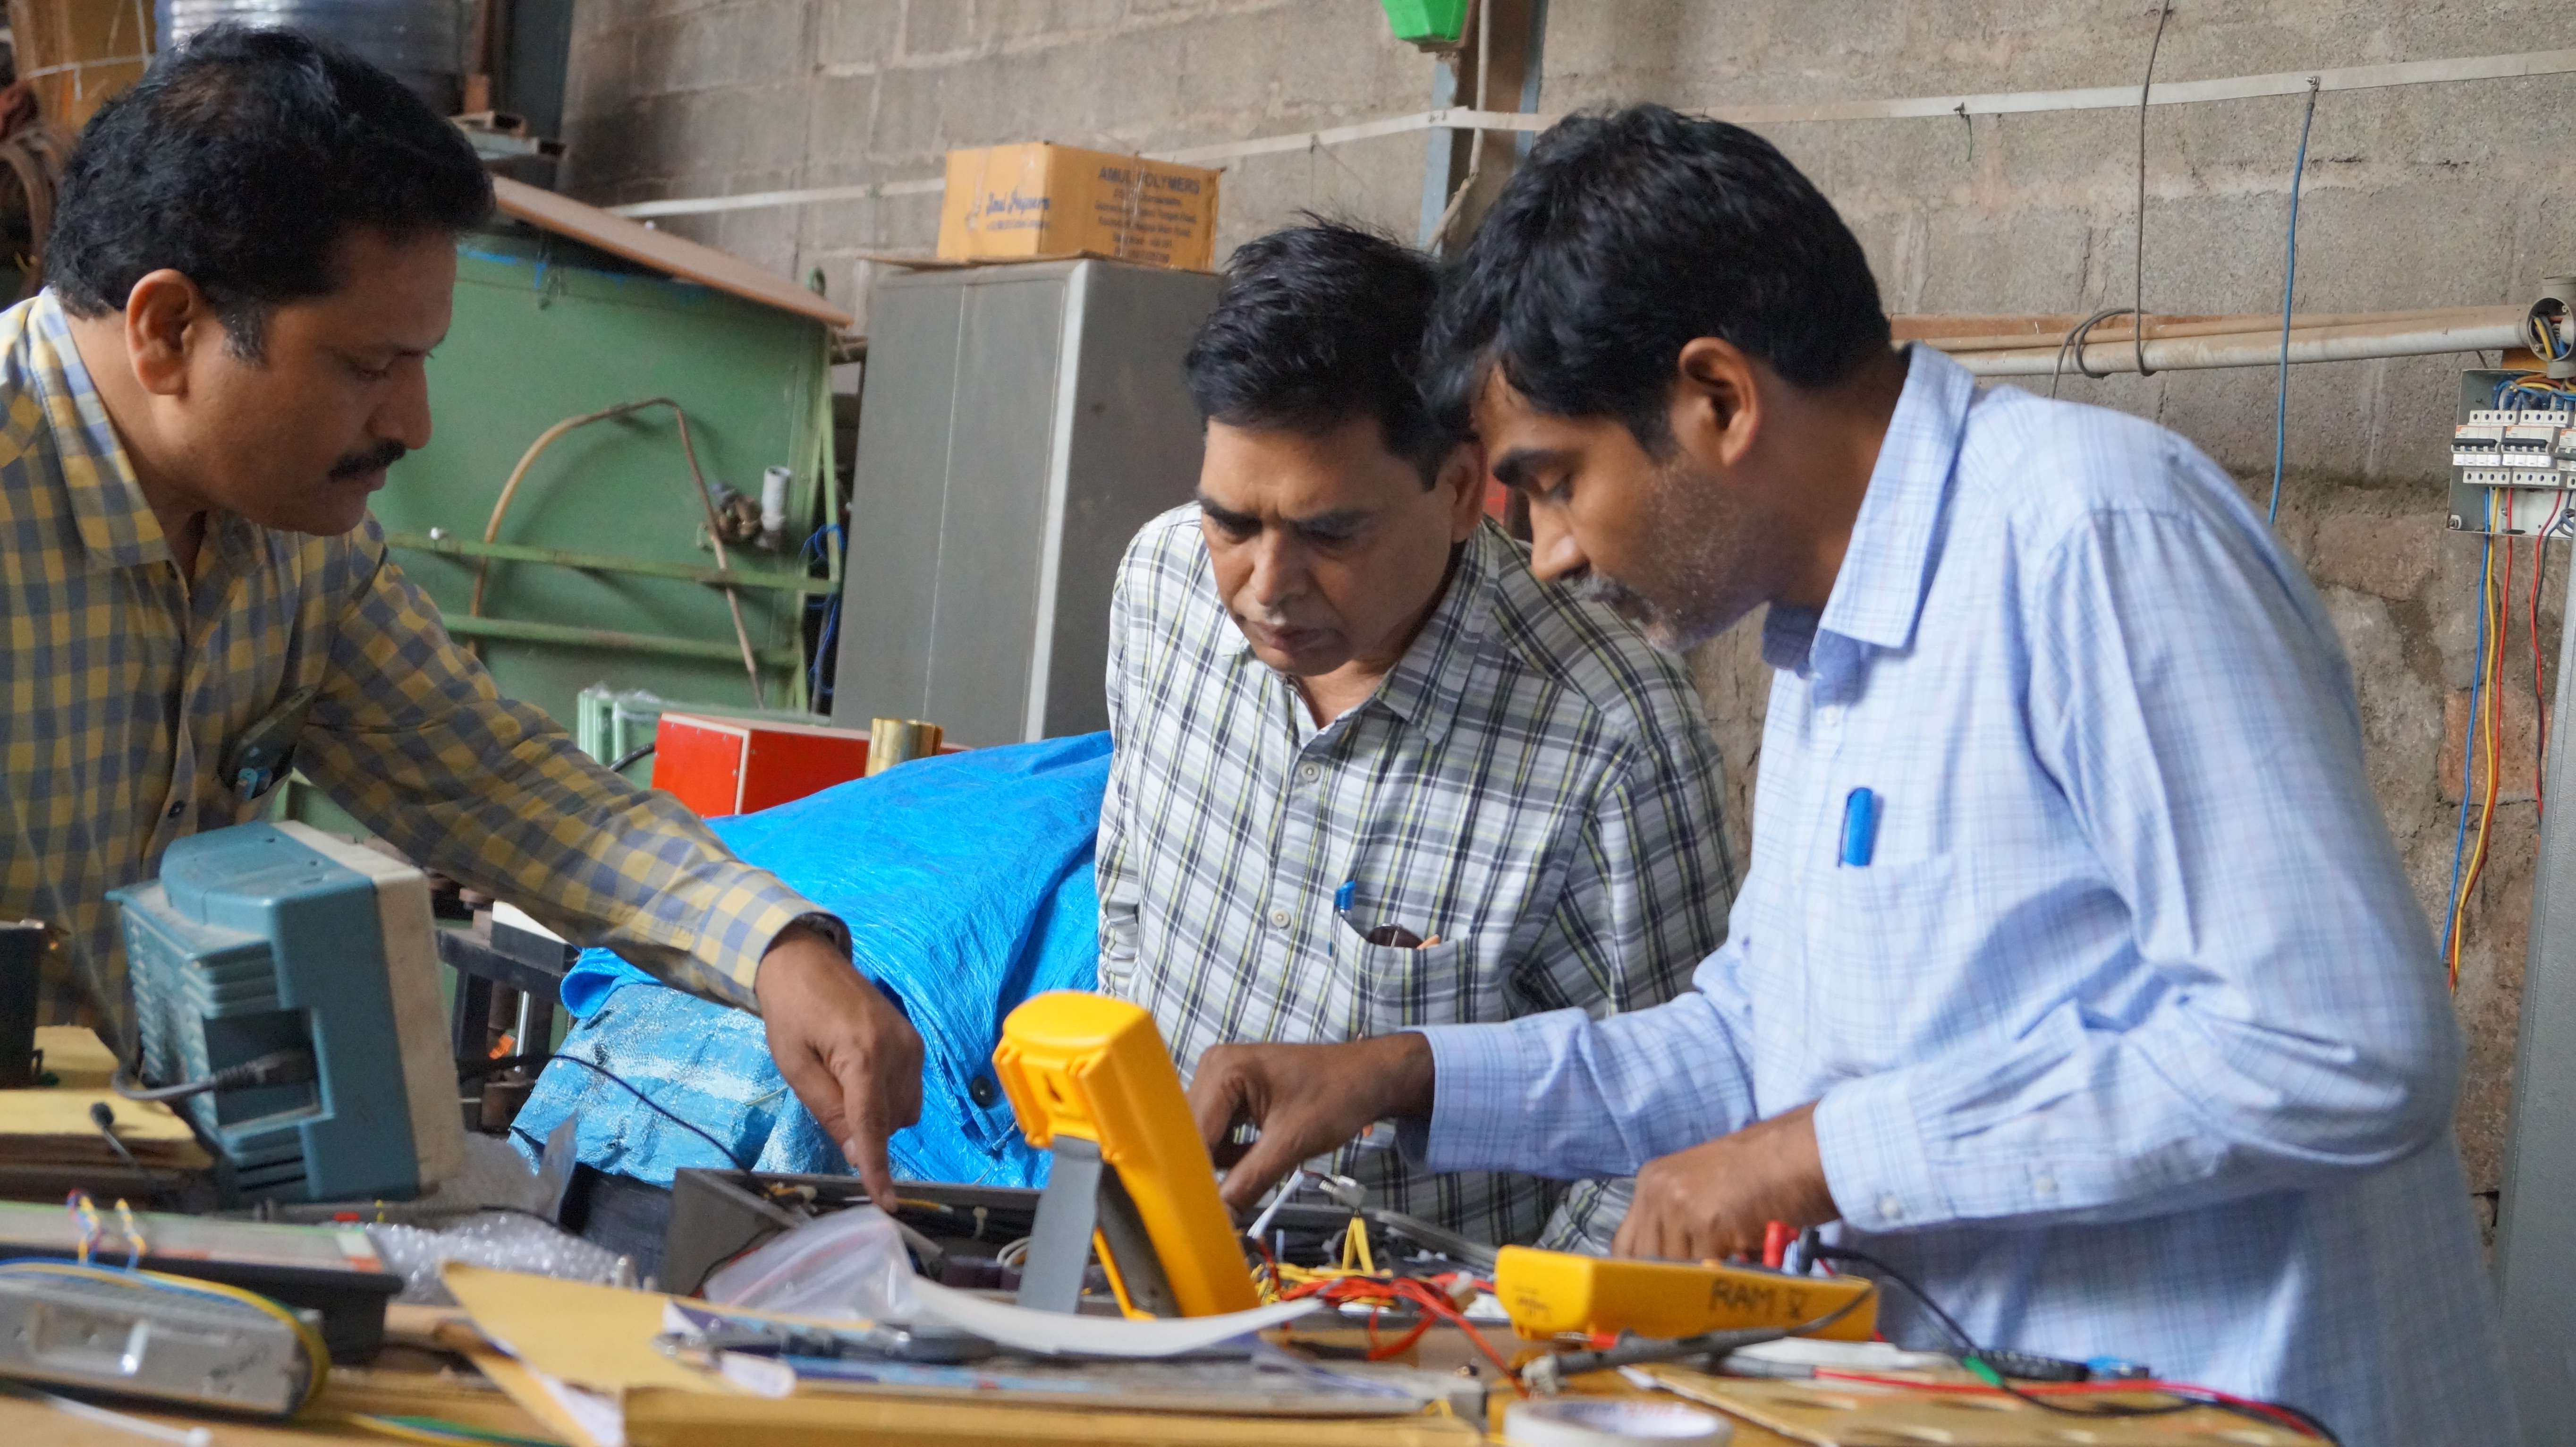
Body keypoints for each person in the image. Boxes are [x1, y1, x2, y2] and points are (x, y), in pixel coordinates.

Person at [1184, 108, 2510, 1445]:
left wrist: (1815, 1156)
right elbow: (1758, 1043)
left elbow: (2339, 1047)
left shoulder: (2089, 536)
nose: (1550, 554)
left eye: (1557, 482)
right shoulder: (1829, 641)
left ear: (1717, 399)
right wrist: (1400, 1074)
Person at [0, 26, 920, 1207]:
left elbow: (485, 779)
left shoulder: (292, 545)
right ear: (169, 328)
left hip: (126, 1213)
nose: (413, 422)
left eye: (420, 361)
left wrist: (777, 948)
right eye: (368, 365)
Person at [1096, 221, 1735, 1248]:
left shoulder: (1612, 737)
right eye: (1233, 522)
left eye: (1328, 532)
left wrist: (1494, 1332)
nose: (1266, 587)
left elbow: (1670, 1138)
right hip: (1155, 1254)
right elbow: (1127, 898)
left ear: (1460, 489)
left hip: (1421, 1325)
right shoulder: (1160, 585)